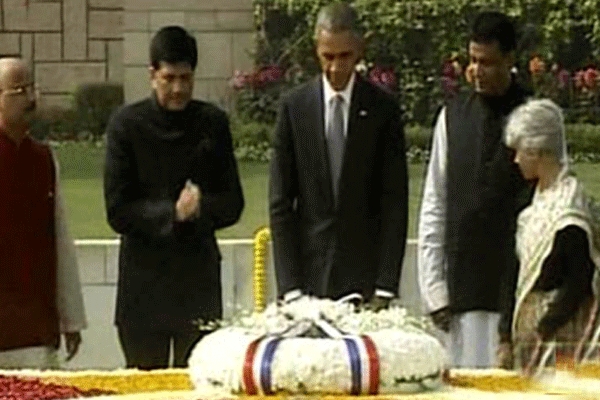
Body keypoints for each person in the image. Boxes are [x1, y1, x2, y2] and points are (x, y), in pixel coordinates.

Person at [103, 26, 244, 369]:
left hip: (198, 287)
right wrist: (172, 213)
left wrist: (201, 208)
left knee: (198, 384)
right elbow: (118, 211)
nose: (179, 88)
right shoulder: (126, 126)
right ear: (152, 75)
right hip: (143, 289)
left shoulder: (212, 124)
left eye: (186, 78)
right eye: (169, 78)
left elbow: (233, 203)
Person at [269, 2, 409, 309]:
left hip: (365, 279)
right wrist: (290, 288)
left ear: (359, 49)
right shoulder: (294, 109)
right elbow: (281, 203)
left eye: (344, 56)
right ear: (316, 49)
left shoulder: (382, 110)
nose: (335, 67)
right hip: (308, 280)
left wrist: (385, 286)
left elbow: (394, 202)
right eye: (327, 57)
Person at [417, 11, 533, 368]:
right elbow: (435, 202)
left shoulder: (534, 116)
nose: (477, 71)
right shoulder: (451, 117)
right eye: (473, 60)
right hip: (460, 295)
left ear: (510, 59)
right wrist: (434, 288)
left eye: (488, 62)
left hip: (515, 294)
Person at [497, 99, 600, 371]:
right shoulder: (530, 202)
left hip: (563, 340)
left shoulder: (570, 209)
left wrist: (543, 330)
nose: (516, 159)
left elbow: (579, 281)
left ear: (538, 151)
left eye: (520, 151)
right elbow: (514, 270)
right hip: (528, 334)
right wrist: (506, 335)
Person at [0, 57, 86, 368]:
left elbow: (60, 240)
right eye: (19, 90)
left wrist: (70, 318)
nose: (31, 99)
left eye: (33, 88)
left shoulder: (43, 161)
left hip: (37, 332)